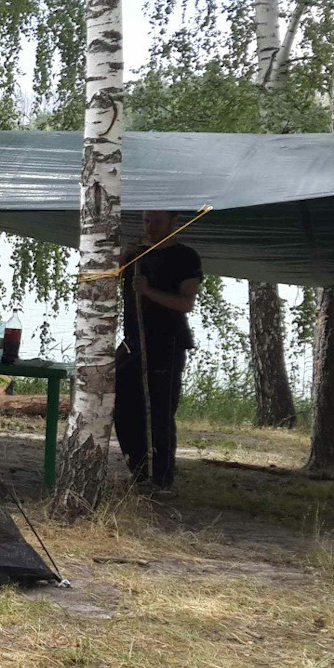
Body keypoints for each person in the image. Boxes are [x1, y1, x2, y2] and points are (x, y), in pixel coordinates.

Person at [115, 210, 201, 490]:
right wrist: (121, 259)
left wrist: (150, 291)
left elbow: (186, 303)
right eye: (147, 221)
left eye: (157, 222)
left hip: (167, 342)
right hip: (132, 341)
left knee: (159, 411)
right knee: (124, 407)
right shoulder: (137, 256)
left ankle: (160, 477)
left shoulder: (185, 257)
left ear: (173, 224)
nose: (151, 227)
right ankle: (138, 471)